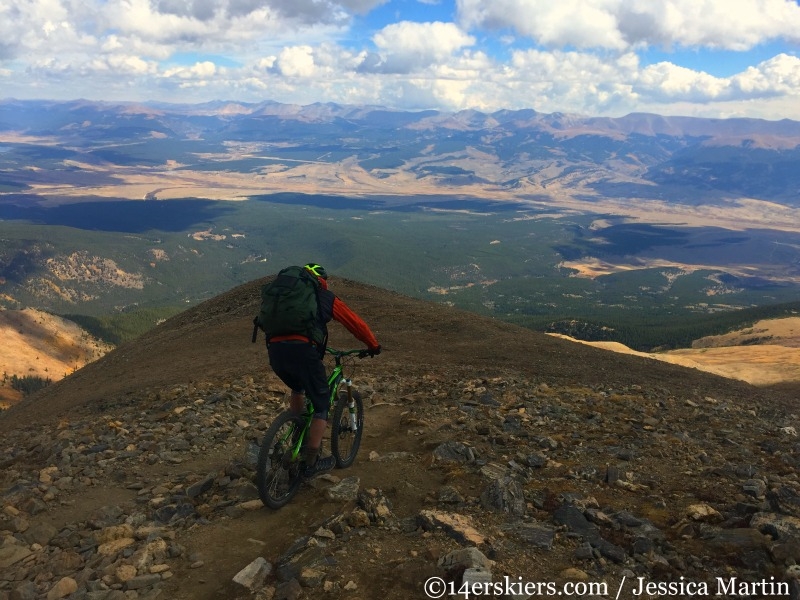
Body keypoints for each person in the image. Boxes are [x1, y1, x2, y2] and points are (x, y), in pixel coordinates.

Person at [266, 263, 381, 477]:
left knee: (298, 387)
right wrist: (373, 345)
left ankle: (297, 428)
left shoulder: (283, 295)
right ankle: (310, 461)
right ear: (322, 280)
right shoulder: (324, 296)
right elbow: (355, 323)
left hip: (275, 350)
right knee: (321, 404)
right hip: (304, 352)